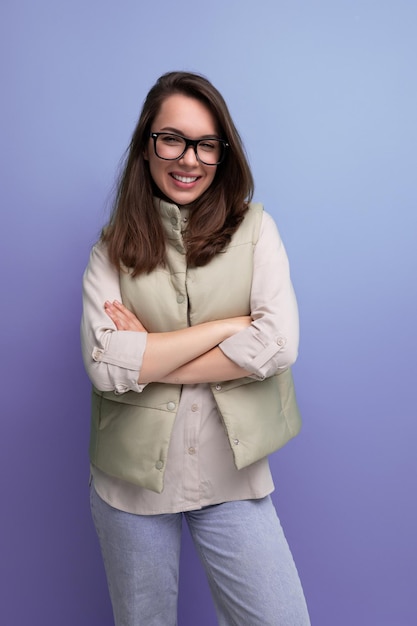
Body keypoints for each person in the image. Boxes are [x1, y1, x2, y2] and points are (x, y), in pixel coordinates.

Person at [81, 70, 310, 626]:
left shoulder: (257, 230)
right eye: (173, 139)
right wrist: (225, 329)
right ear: (145, 145)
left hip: (232, 473)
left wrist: (152, 353)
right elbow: (105, 368)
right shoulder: (111, 248)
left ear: (222, 153)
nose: (189, 159)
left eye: (207, 144)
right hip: (130, 483)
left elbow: (278, 345)